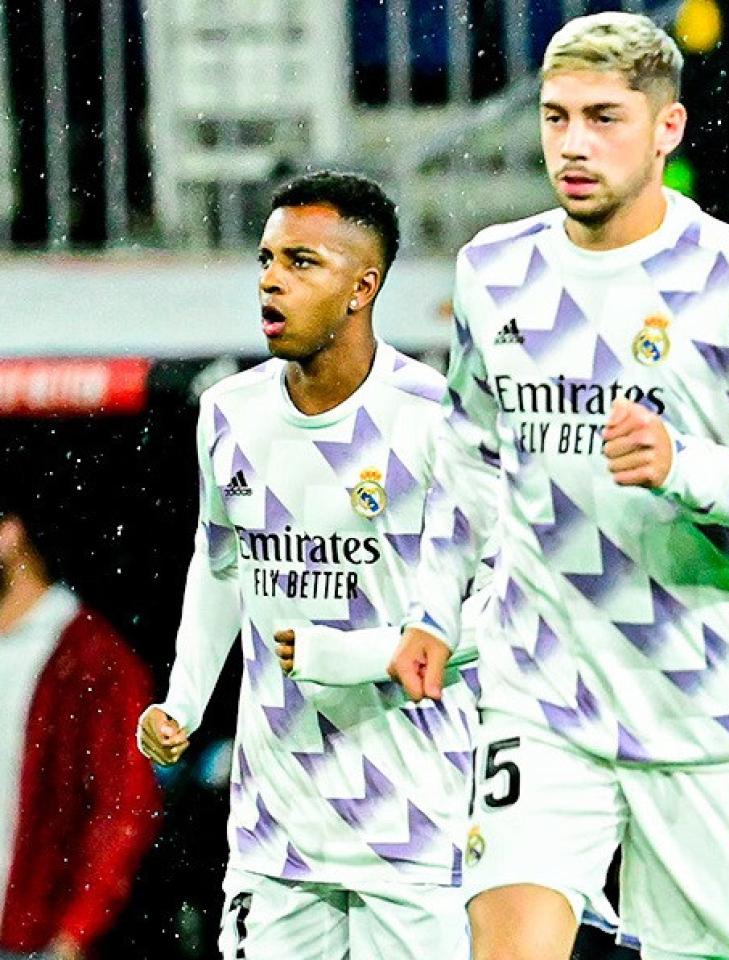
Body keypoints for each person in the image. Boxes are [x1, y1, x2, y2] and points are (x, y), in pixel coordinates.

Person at [385, 12, 729, 960]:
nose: (574, 143)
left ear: (668, 129)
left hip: (693, 701)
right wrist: (438, 610)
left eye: (604, 117)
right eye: (557, 117)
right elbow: (469, 463)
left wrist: (688, 467)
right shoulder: (494, 272)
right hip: (539, 690)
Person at [135, 171, 488, 960]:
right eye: (266, 259)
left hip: (415, 827)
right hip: (277, 835)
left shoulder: (434, 422)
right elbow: (221, 565)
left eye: (301, 262)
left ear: (363, 287)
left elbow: (501, 614)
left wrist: (361, 656)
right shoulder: (231, 412)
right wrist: (184, 702)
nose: (270, 279)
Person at [0, 487, 159, 960]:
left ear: (11, 533)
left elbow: (124, 806)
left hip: (31, 942)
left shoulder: (90, 661)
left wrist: (75, 935)